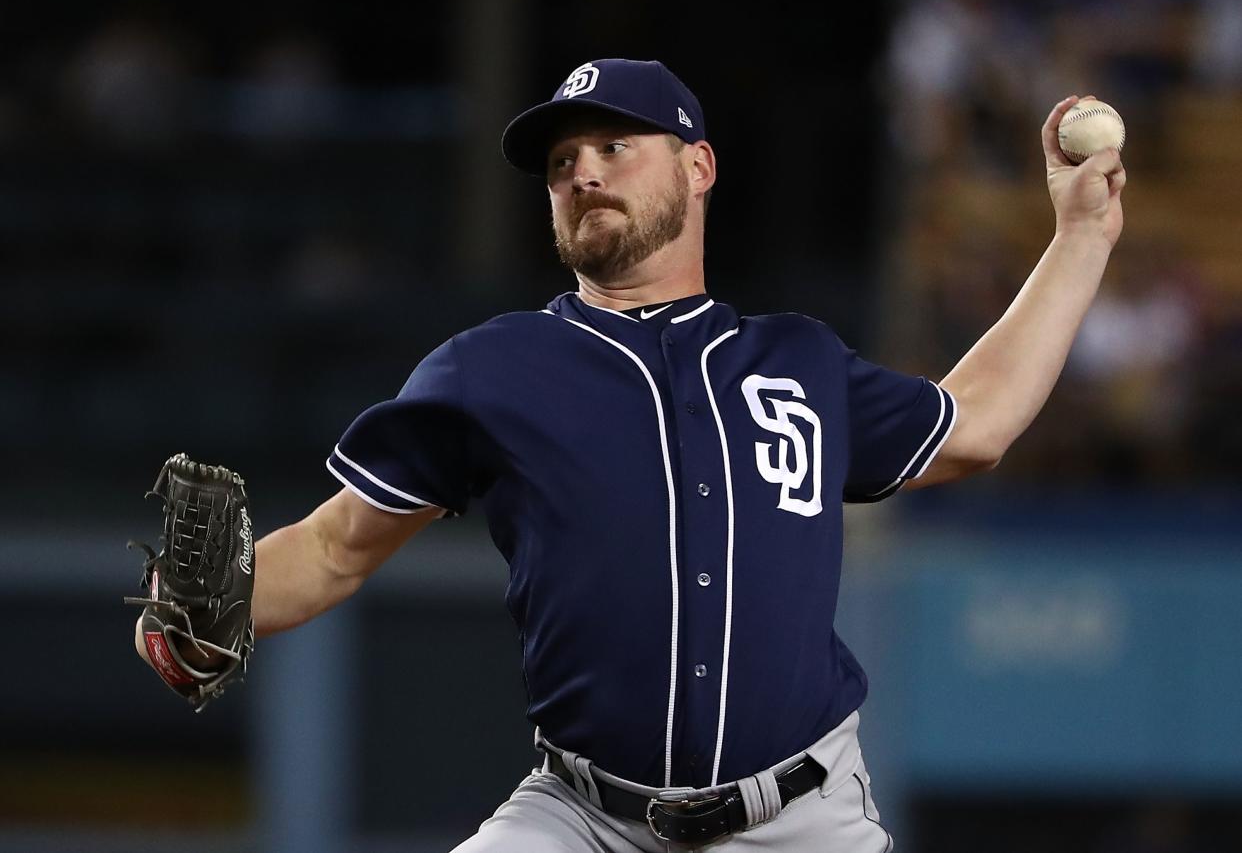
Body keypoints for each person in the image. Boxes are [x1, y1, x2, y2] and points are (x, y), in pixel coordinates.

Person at [134, 58, 1125, 851]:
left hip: (801, 817)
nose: (584, 172)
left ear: (699, 166)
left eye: (615, 143)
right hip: (582, 818)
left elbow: (976, 423)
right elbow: (338, 545)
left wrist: (1081, 232)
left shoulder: (797, 361)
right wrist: (210, 602)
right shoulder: (495, 370)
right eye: (563, 163)